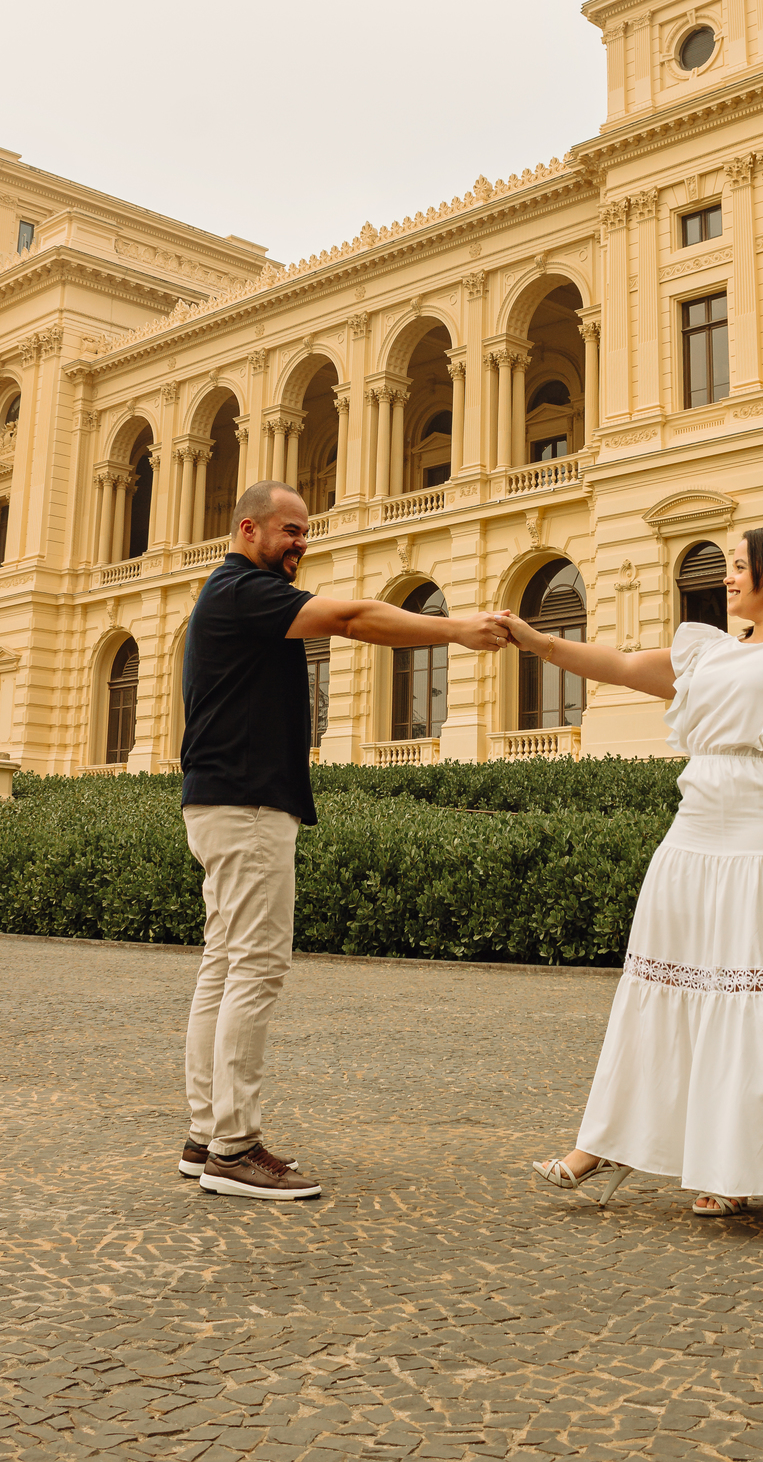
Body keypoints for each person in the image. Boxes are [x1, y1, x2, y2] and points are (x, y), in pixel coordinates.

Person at [505, 527, 763, 1216]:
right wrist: (536, 642)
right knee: (661, 990)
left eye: (740, 566)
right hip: (691, 841)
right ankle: (608, 1142)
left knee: (748, 996)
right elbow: (621, 664)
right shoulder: (708, 652)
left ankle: (735, 1166)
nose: (728, 577)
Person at [177, 478, 511, 1202]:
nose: (302, 541)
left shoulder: (233, 594)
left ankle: (207, 1135)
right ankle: (233, 1149)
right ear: (248, 530)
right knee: (255, 966)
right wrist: (456, 629)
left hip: (224, 799)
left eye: (305, 530)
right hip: (246, 803)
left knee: (225, 964)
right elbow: (356, 618)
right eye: (290, 529)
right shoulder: (243, 590)